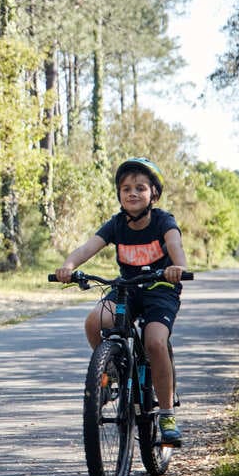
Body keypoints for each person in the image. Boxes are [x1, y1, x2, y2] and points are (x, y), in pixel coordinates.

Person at [54, 157, 188, 447]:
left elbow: (175, 244)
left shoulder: (163, 221)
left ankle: (165, 414)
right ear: (119, 194)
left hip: (161, 289)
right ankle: (112, 373)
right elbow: (88, 247)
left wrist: (177, 266)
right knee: (93, 321)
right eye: (126, 188)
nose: (132, 193)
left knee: (154, 342)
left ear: (154, 193)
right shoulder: (116, 224)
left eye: (140, 187)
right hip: (127, 289)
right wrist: (68, 265)